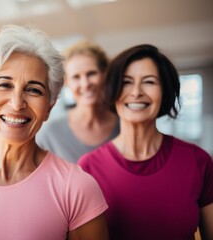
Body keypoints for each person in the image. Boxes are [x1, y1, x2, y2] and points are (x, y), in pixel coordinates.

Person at [0, 25, 109, 240]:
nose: (17, 103)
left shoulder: (77, 187)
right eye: (4, 85)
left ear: (49, 106)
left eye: (34, 90)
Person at [78, 44, 213, 239]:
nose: (136, 92)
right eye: (126, 82)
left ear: (165, 91)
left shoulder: (198, 161)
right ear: (111, 91)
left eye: (149, 82)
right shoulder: (88, 168)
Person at [36, 41, 119, 163]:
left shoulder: (125, 126)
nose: (85, 84)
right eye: (76, 77)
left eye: (91, 73)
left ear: (104, 74)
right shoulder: (50, 133)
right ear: (67, 82)